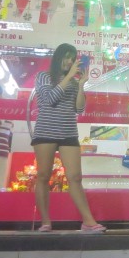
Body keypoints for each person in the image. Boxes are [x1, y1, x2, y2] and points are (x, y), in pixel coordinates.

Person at [32, 44, 105, 233]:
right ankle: (45, 221)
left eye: (72, 58)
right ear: (58, 58)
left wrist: (81, 86)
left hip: (68, 132)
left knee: (75, 177)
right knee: (43, 176)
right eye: (66, 58)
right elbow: (49, 99)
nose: (69, 61)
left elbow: (79, 109)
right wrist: (68, 78)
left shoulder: (74, 82)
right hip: (46, 131)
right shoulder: (43, 76)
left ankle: (88, 222)